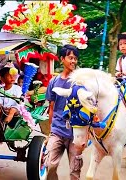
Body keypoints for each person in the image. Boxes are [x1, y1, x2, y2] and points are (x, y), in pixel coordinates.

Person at [45, 44, 83, 180]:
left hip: (75, 133)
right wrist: (50, 132)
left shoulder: (81, 82)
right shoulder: (54, 82)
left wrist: (86, 136)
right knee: (49, 164)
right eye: (70, 58)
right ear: (62, 59)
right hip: (57, 131)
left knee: (75, 171)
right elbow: (51, 107)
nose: (73, 61)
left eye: (75, 58)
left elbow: (88, 109)